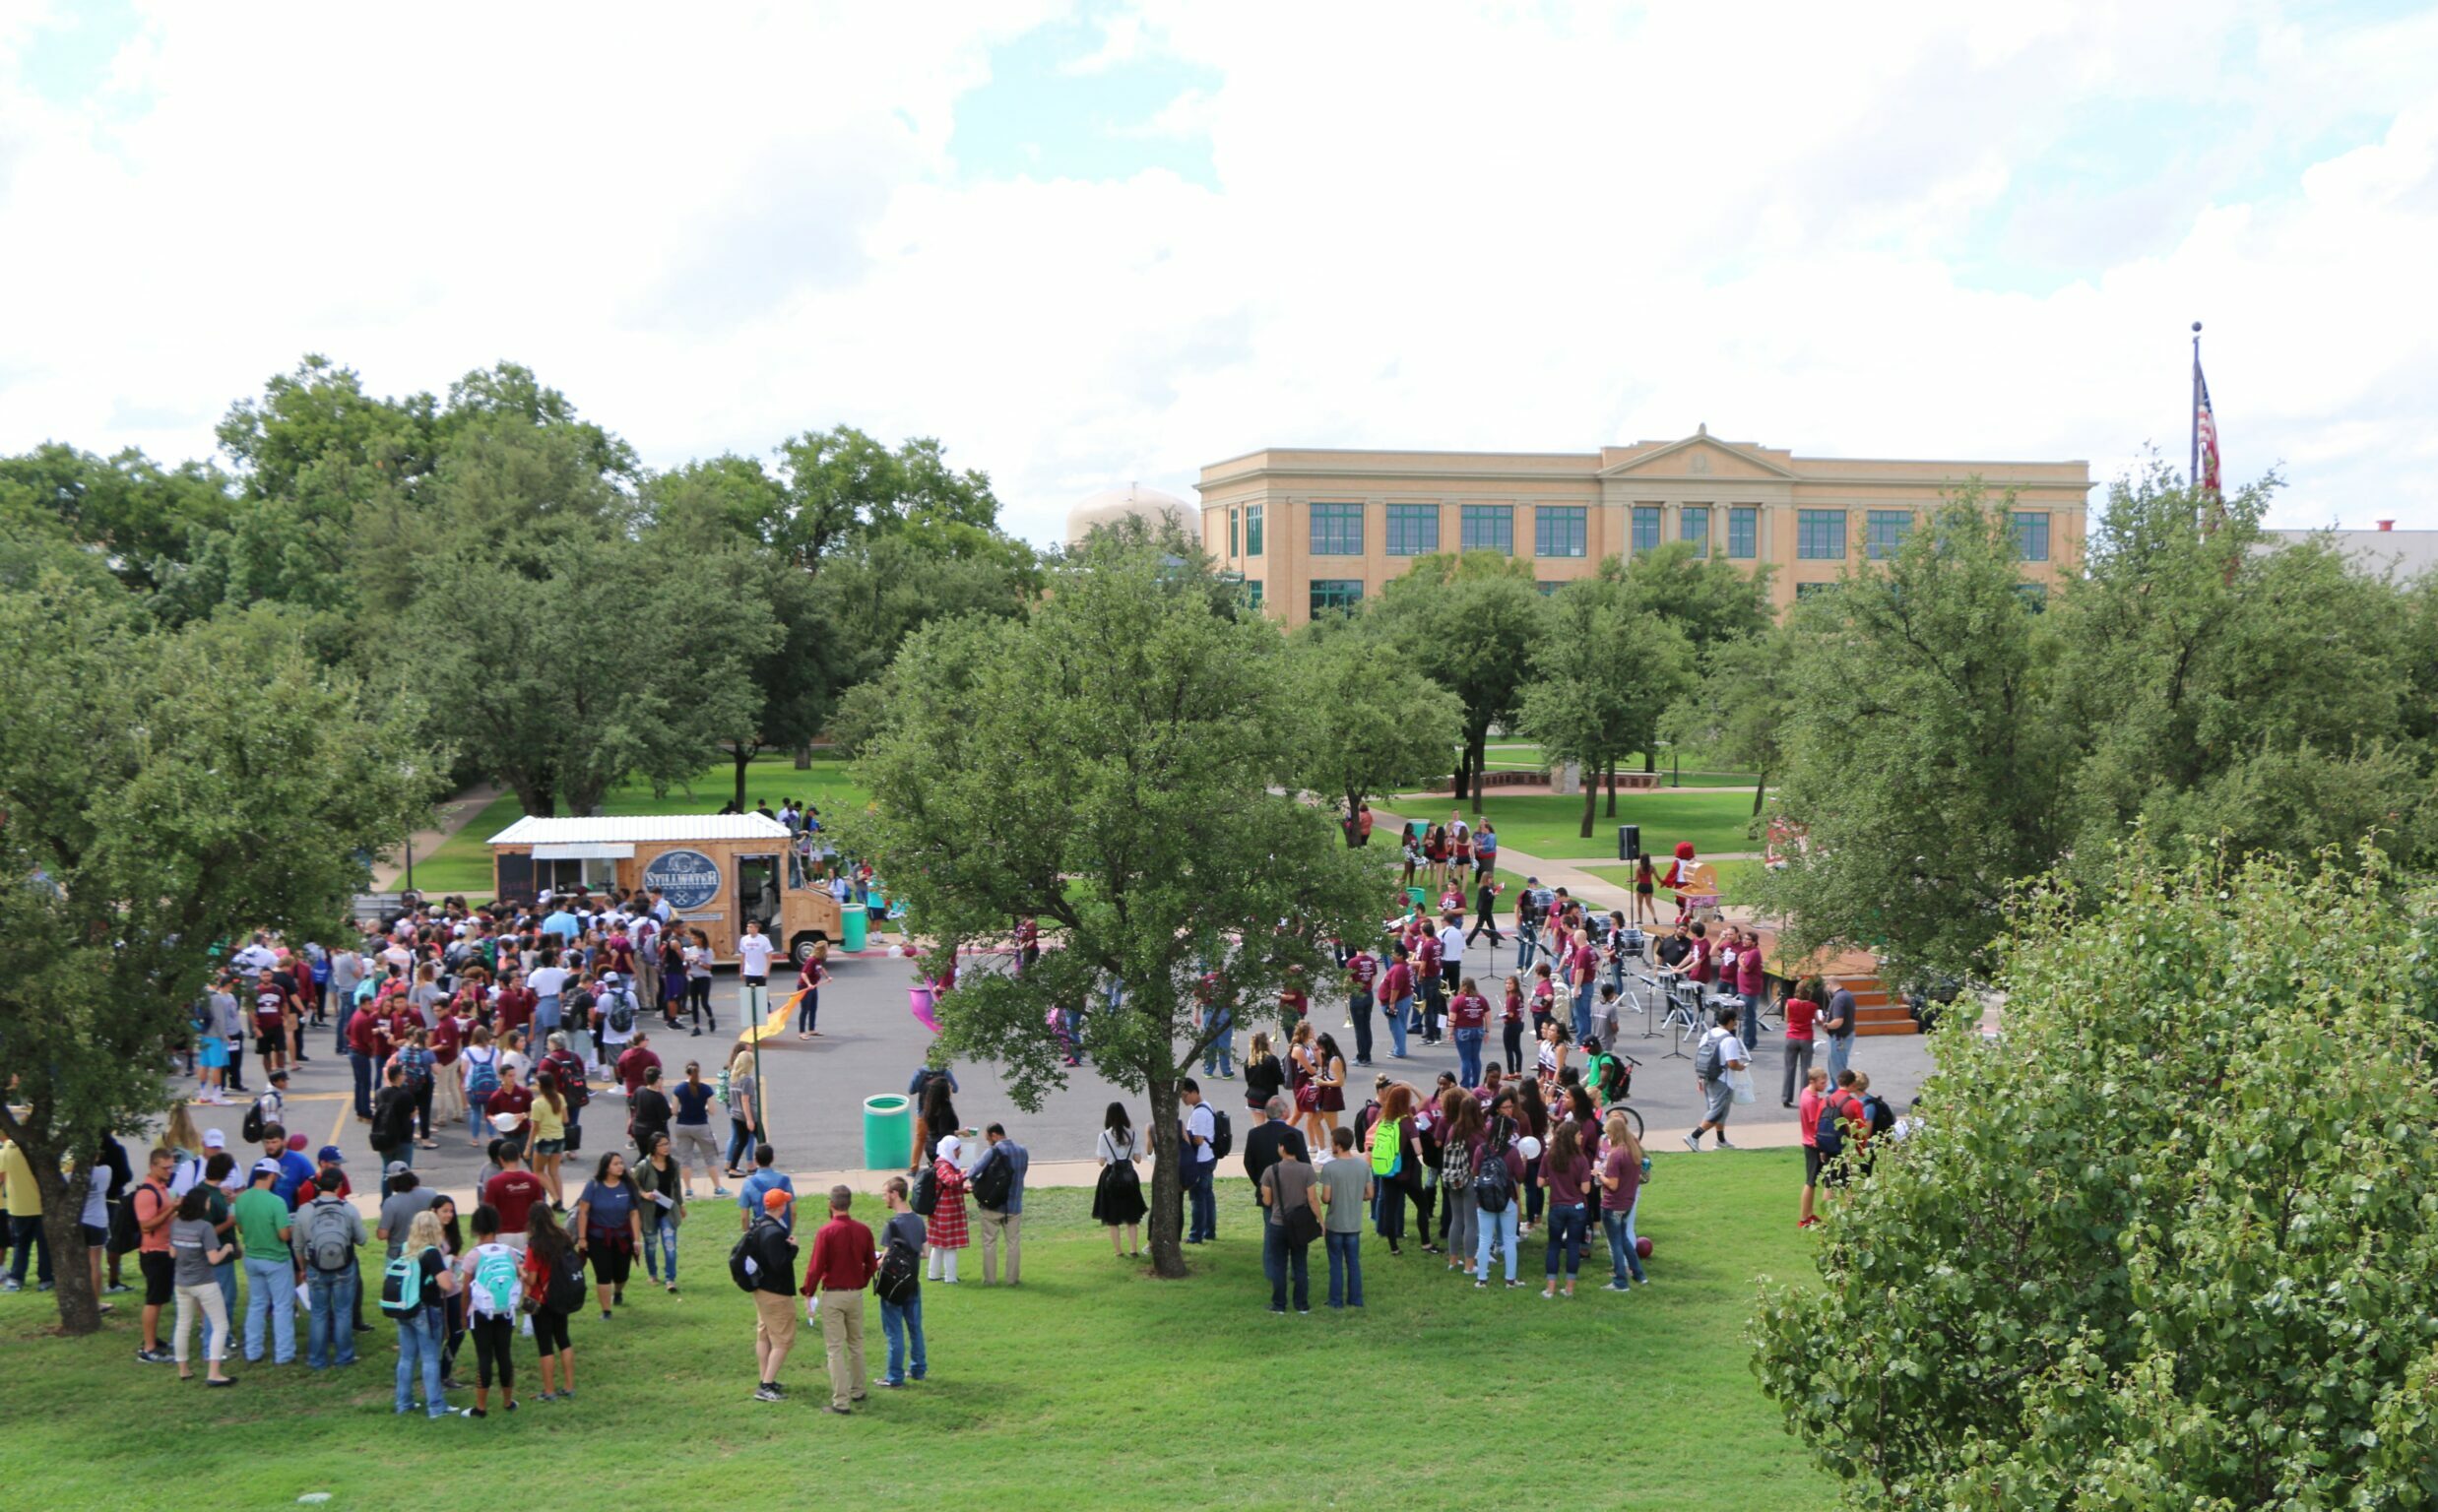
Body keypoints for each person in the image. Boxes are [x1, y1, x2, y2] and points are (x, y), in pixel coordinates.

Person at [800, 1184, 875, 1416]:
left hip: (833, 1294)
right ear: (849, 1203)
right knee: (856, 1344)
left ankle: (841, 1401)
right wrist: (861, 1282)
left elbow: (815, 1267)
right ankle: (858, 1389)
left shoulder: (826, 1232)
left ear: (831, 1205)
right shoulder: (863, 1230)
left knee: (834, 1349)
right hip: (855, 1294)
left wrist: (808, 1292)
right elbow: (871, 1264)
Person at [390, 1209, 459, 1418]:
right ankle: (436, 1406)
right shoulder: (431, 1253)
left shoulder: (405, 1249)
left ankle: (404, 1402)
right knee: (430, 1358)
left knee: (407, 1358)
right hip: (426, 1309)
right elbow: (445, 1284)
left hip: (405, 1309)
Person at [296, 1172, 367, 1369]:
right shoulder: (349, 1209)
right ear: (339, 1187)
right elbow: (362, 1239)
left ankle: (316, 1359)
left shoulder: (305, 1210)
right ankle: (344, 1357)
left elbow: (297, 1245)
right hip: (344, 1266)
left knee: (319, 1313)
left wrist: (303, 1267)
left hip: (315, 1266)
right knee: (343, 1311)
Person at [168, 1186, 237, 1385]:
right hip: (204, 1282)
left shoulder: (176, 1223)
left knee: (183, 1325)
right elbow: (213, 1259)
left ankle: (183, 1369)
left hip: (181, 1282)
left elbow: (172, 1254)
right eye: (207, 1201)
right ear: (201, 1204)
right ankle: (214, 1373)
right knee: (220, 1325)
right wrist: (226, 1248)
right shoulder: (204, 1228)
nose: (209, 1204)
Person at [457, 1204, 521, 1418]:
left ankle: (481, 1407)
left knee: (484, 1357)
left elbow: (466, 1290)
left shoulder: (473, 1256)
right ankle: (508, 1401)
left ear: (476, 1229)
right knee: (504, 1355)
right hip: (505, 1311)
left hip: (480, 1313)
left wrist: (463, 1316)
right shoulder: (509, 1252)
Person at [233, 1159, 297, 1365]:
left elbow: (241, 1229)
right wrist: (292, 1228)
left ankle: (253, 1351)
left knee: (257, 1304)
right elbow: (283, 1236)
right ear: (272, 1176)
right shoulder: (276, 1202)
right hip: (276, 1260)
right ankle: (284, 1353)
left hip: (252, 1258)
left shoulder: (241, 1199)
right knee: (282, 1306)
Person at [742, 1187, 801, 1403]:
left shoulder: (758, 1225)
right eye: (785, 1202)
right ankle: (766, 1386)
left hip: (761, 1289)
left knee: (764, 1334)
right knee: (783, 1340)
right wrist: (793, 1249)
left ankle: (765, 1378)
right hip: (776, 1292)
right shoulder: (774, 1232)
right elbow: (779, 1264)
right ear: (780, 1207)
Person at [572, 1151, 645, 1320]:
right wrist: (582, 1239)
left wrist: (636, 1240)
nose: (621, 1166)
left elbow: (634, 1213)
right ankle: (606, 1311)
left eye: (621, 1163)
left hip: (622, 1237)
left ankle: (618, 1292)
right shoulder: (593, 1185)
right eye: (616, 1163)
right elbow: (583, 1212)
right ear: (606, 1167)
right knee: (603, 1274)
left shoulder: (628, 1185)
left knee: (622, 1273)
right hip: (597, 1238)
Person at [519, 1205, 579, 1402]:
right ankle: (570, 1386)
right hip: (561, 1294)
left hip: (542, 1300)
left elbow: (532, 1279)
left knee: (545, 1346)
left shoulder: (535, 1245)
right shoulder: (563, 1237)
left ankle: (549, 1391)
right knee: (564, 1339)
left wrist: (521, 1271)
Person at [1256, 1133, 1319, 1314]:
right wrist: (1321, 1221)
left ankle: (1279, 1305)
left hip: (1277, 1224)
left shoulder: (1271, 1171)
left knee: (1279, 1266)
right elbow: (1313, 1199)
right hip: (1299, 1225)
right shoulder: (1307, 1170)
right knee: (1300, 1264)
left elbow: (1267, 1201)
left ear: (1282, 1148)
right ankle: (1301, 1305)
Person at [874, 1176, 928, 1388]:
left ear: (895, 1194)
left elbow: (884, 1261)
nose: (884, 1198)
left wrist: (876, 1259)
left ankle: (894, 1376)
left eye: (885, 1193)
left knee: (894, 1331)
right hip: (912, 1283)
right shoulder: (918, 1221)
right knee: (915, 1328)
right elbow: (925, 1253)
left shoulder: (892, 1226)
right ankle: (918, 1369)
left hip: (892, 1287)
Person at [1472, 1097, 1527, 1287]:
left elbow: (1475, 1172)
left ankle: (1482, 1279)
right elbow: (1520, 1178)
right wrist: (1523, 1163)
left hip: (1484, 1199)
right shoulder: (1512, 1152)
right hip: (1507, 1199)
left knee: (1485, 1237)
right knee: (1510, 1239)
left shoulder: (1481, 1150)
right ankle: (1510, 1280)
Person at [1316, 1126, 1371, 1308]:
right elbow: (1369, 1193)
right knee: (1354, 1263)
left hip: (1335, 1223)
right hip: (1354, 1224)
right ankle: (1356, 1299)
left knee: (1336, 1264)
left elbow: (1326, 1198)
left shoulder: (1330, 1168)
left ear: (1338, 1145)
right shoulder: (1363, 1165)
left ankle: (1336, 1300)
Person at [1539, 1119, 1594, 1299]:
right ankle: (1569, 1289)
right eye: (1579, 1134)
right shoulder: (1581, 1159)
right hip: (1577, 1207)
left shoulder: (1549, 1156)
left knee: (1553, 1246)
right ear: (1572, 1137)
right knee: (1573, 1246)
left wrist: (1552, 1181)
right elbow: (1586, 1189)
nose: (1582, 1136)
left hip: (1556, 1206)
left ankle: (1550, 1289)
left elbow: (1539, 1182)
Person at [1597, 1109, 1649, 1290]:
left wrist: (1599, 1175)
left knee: (1616, 1244)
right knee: (1624, 1239)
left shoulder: (1615, 1155)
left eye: (1608, 1134)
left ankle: (1620, 1281)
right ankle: (1639, 1274)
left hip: (1613, 1204)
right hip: (1627, 1202)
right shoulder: (1633, 1151)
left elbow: (1612, 1184)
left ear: (1613, 1134)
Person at [1685, 1007, 1750, 1151]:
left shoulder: (1707, 1035)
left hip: (1707, 1077)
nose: (1736, 1024)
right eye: (1735, 1021)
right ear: (1731, 1021)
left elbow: (1701, 1058)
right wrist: (1742, 1067)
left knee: (1717, 1110)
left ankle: (1721, 1140)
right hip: (1723, 1081)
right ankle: (1694, 1136)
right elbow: (1732, 1063)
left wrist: (1700, 1078)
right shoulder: (1730, 1040)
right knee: (1717, 1112)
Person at [971, 1123, 1028, 1286]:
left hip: (992, 1206)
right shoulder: (1022, 1151)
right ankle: (1012, 1279)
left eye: (988, 1138)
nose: (988, 1142)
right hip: (1015, 1205)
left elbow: (972, 1172)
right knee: (1013, 1242)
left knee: (989, 1242)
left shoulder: (993, 1151)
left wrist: (979, 1186)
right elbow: (1022, 1174)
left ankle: (990, 1280)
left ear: (994, 1135)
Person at [633, 1131, 685, 1293]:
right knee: (651, 1245)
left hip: (668, 1210)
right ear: (653, 1147)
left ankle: (670, 1279)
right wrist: (644, 1194)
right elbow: (634, 1185)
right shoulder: (644, 1166)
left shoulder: (673, 1164)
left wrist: (681, 1205)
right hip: (649, 1211)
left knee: (670, 1246)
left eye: (667, 1143)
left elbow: (676, 1187)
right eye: (662, 1144)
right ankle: (653, 1274)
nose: (666, 1147)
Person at [1092, 1102, 1146, 1257]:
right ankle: (1134, 1249)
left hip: (1111, 1177)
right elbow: (1138, 1159)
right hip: (1129, 1176)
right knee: (1131, 1217)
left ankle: (1118, 1251)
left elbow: (1101, 1162)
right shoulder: (1133, 1134)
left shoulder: (1104, 1136)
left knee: (1113, 1218)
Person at [671, 1060, 726, 1197]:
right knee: (709, 1158)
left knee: (686, 1159)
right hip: (701, 1126)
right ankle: (718, 1188)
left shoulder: (678, 1089)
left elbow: (674, 1111)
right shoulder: (706, 1089)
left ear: (686, 1072)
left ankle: (688, 1190)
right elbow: (712, 1110)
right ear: (698, 1071)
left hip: (682, 1126)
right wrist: (704, 1108)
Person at [480, 1147, 546, 1254]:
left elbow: (488, 1212)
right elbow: (540, 1207)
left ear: (501, 1159)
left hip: (503, 1234)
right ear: (519, 1157)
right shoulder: (533, 1180)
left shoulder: (494, 1183)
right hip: (527, 1233)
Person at [924, 1135, 971, 1282]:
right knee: (950, 1245)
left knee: (938, 1245)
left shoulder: (942, 1163)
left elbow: (946, 1185)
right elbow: (950, 1181)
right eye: (957, 1149)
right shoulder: (944, 1165)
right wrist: (967, 1173)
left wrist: (963, 1189)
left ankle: (933, 1274)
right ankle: (950, 1277)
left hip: (941, 1210)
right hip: (946, 1211)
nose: (959, 1152)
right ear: (950, 1149)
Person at [1179, 1080, 1218, 1244]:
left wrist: (1186, 1137)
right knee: (1208, 1195)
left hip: (1201, 1160)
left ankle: (1196, 1235)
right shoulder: (1206, 1106)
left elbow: (1199, 1140)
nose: (1183, 1099)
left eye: (1185, 1095)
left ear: (1194, 1092)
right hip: (1210, 1157)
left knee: (1197, 1198)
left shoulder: (1198, 1114)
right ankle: (1209, 1231)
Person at [1796, 1065, 1831, 1228]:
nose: (1825, 1085)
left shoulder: (1807, 1093)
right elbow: (1816, 1124)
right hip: (1813, 1143)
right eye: (1822, 1082)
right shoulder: (1811, 1100)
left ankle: (1808, 1214)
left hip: (1808, 1141)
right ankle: (1804, 1218)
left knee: (1812, 1180)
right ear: (1813, 1081)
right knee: (1811, 1181)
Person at [1781, 976, 1822, 1106]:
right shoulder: (1813, 1006)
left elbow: (1787, 1020)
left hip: (1792, 1036)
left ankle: (1786, 1098)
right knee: (1806, 1070)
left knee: (1789, 1068)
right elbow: (1817, 1021)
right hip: (1806, 1038)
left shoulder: (1790, 1003)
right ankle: (1804, 1097)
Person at [737, 1144, 795, 1231]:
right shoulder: (785, 1180)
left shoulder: (749, 1183)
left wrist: (747, 1233)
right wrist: (789, 1231)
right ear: (773, 1158)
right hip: (782, 1231)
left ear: (755, 1160)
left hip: (761, 1232)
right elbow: (793, 1212)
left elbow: (744, 1217)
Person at [725, 1047, 762, 1178]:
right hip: (748, 1114)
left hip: (736, 1114)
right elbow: (745, 1100)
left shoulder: (733, 1078)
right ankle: (764, 1166)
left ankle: (732, 1168)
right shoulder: (746, 1080)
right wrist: (750, 1119)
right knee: (762, 1140)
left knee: (741, 1141)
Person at [1448, 976, 1491, 1089]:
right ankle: (1475, 1083)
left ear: (1463, 986)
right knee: (1475, 1057)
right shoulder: (1481, 999)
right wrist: (1487, 1031)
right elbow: (1488, 1016)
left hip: (1463, 1031)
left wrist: (1450, 1032)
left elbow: (1452, 1017)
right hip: (1478, 1030)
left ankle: (1465, 1085)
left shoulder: (1458, 999)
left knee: (1465, 1059)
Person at [737, 920, 775, 1027]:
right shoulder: (744, 939)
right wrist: (741, 970)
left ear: (756, 928)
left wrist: (767, 969)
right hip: (749, 971)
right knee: (749, 993)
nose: (748, 928)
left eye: (751, 927)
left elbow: (769, 956)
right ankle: (752, 1015)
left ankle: (767, 1007)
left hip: (760, 971)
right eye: (748, 927)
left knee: (762, 991)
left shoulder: (764, 940)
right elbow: (742, 956)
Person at [1821, 977, 1858, 1082]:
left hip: (1840, 1037)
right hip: (1847, 1034)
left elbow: (1838, 1021)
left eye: (1826, 986)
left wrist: (1827, 1025)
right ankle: (1835, 1091)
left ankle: (1839, 1093)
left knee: (1837, 1068)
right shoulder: (1847, 995)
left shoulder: (1838, 999)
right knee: (1837, 1065)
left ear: (1829, 984)